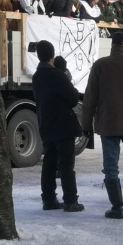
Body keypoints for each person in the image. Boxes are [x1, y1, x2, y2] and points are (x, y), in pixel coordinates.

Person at [81, 30, 123, 219]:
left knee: (111, 167)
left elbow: (90, 98)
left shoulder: (100, 65)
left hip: (108, 122)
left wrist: (86, 124)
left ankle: (117, 208)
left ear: (112, 45)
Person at [31, 40, 85, 213]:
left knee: (49, 163)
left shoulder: (37, 76)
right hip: (63, 124)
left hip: (46, 123)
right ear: (52, 55)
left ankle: (48, 199)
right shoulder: (57, 75)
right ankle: (70, 200)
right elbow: (73, 98)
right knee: (66, 165)